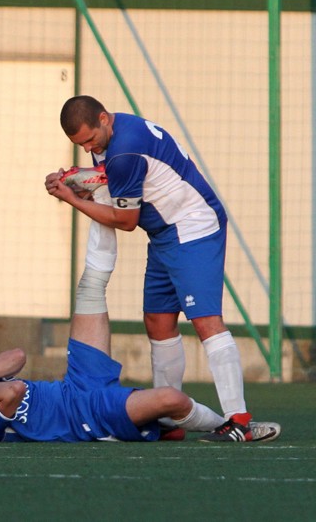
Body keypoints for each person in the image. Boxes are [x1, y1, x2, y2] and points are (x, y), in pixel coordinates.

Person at [0, 175, 281, 444]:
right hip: (87, 415)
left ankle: (102, 193)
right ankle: (228, 426)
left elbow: (17, 357)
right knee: (171, 399)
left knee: (90, 287)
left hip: (76, 383)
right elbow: (14, 392)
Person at [44, 94, 263, 442]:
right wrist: (74, 179)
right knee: (158, 321)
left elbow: (125, 220)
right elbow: (108, 179)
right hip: (164, 231)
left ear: (103, 119)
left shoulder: (124, 151)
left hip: (192, 227)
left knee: (205, 321)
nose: (87, 148)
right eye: (80, 144)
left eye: (89, 140)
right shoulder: (115, 133)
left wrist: (71, 197)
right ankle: (168, 418)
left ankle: (239, 419)